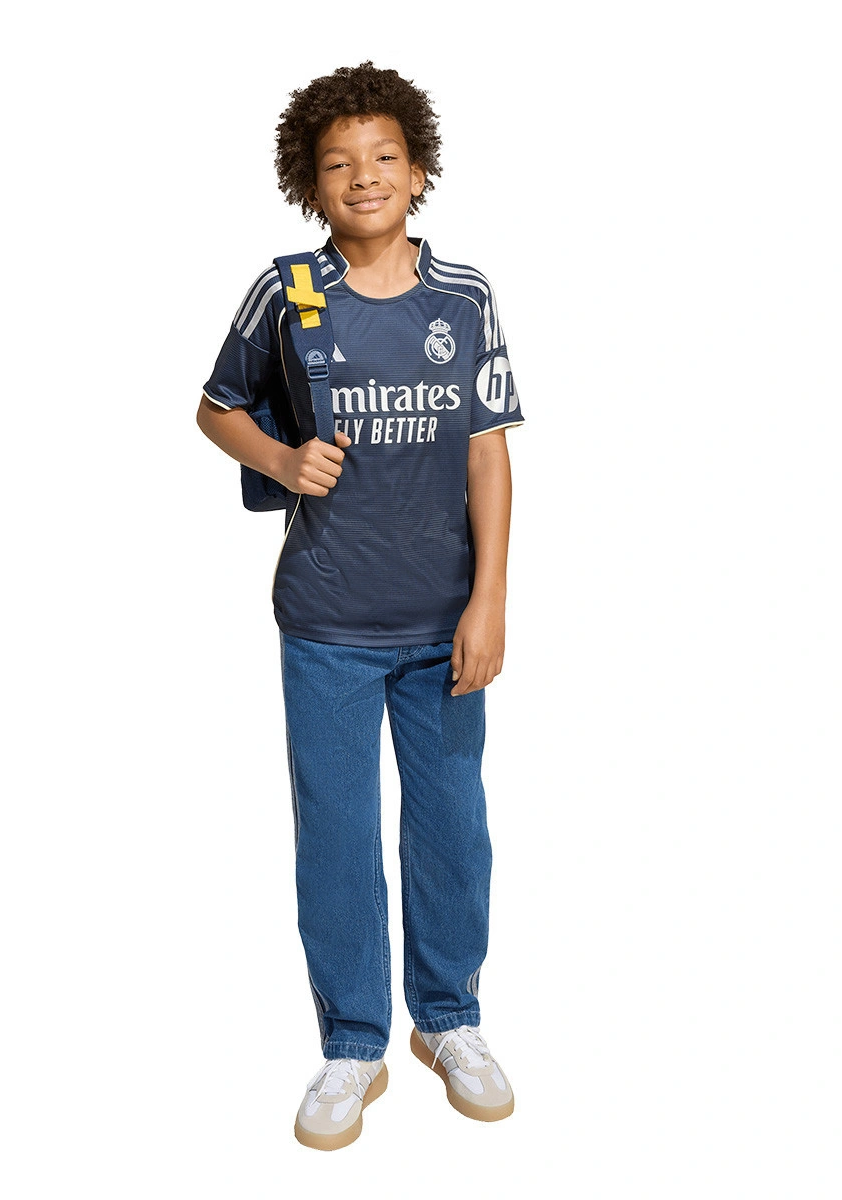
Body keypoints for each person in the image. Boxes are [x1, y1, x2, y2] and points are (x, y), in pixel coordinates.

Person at [195, 61, 525, 1151]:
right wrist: (281, 461)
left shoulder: (464, 297)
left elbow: (488, 454)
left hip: (443, 626)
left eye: (385, 156)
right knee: (336, 835)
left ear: (419, 170)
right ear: (310, 183)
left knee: (452, 829)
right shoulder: (287, 291)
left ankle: (450, 1020)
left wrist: (490, 602)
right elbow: (215, 408)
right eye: (338, 163)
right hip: (327, 623)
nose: (364, 176)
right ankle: (352, 1042)